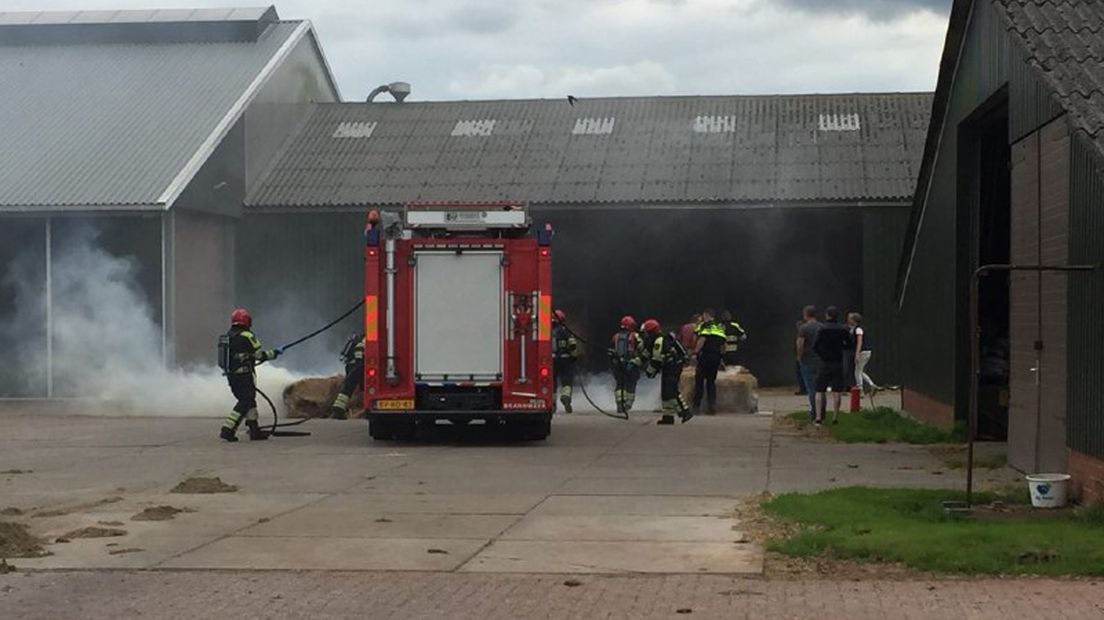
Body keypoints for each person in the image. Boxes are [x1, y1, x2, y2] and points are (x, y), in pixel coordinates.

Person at [221, 308, 282, 442]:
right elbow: (260, 355)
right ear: (247, 321)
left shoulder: (229, 335)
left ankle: (254, 430)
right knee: (245, 401)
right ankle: (227, 429)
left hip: (232, 376)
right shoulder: (248, 336)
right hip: (244, 376)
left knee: (250, 401)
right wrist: (275, 353)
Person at [640, 319, 693, 425]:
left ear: (652, 332)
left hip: (673, 366)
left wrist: (650, 372)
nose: (645, 335)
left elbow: (656, 360)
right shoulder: (654, 341)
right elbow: (645, 355)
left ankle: (685, 411)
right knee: (665, 392)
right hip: (669, 366)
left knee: (671, 390)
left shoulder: (659, 341)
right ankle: (668, 417)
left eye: (646, 332)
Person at [813, 306, 852, 426]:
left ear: (827, 315)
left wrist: (822, 354)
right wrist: (841, 348)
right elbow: (849, 344)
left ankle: (818, 417)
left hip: (824, 362)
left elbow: (815, 346)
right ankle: (835, 416)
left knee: (819, 390)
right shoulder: (843, 329)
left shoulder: (821, 329)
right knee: (837, 391)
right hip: (837, 362)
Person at [692, 308, 727, 415]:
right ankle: (712, 406)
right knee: (711, 382)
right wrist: (721, 357)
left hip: (705, 357)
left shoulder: (704, 326)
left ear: (706, 315)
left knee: (699, 381)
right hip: (716, 357)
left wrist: (695, 353)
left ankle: (696, 406)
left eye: (703, 316)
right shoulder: (720, 328)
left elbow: (701, 340)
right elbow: (724, 345)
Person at [608, 315, 642, 414]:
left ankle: (619, 404)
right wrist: (639, 361)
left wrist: (614, 362)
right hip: (632, 364)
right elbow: (642, 349)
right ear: (631, 326)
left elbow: (610, 351)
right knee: (631, 384)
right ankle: (628, 405)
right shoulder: (635, 336)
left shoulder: (615, 336)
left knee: (619, 384)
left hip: (618, 364)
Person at [328, 334, 365, 420]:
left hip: (351, 367)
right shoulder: (360, 345)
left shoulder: (356, 343)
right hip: (356, 368)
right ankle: (338, 410)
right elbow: (359, 359)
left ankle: (338, 409)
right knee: (349, 388)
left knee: (348, 387)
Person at [551, 309, 580, 413]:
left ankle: (552, 403)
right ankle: (566, 397)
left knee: (552, 383)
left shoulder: (546, 330)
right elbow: (572, 344)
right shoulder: (565, 330)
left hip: (551, 360)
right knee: (566, 381)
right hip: (565, 360)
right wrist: (574, 356)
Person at [795, 306, 820, 419]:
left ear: (806, 314)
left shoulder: (803, 328)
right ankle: (821, 411)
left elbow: (800, 344)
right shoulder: (822, 327)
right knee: (820, 388)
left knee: (811, 388)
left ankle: (814, 411)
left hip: (807, 360)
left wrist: (799, 357)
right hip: (820, 360)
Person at [848, 312, 874, 394]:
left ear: (854, 320)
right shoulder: (859, 328)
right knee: (860, 370)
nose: (849, 320)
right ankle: (872, 384)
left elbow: (859, 342)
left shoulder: (858, 329)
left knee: (857, 372)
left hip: (863, 352)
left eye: (851, 319)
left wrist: (857, 354)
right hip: (867, 351)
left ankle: (860, 390)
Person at [794, 319, 808, 396]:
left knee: (801, 374)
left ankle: (803, 388)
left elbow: (799, 346)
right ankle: (803, 388)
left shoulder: (801, 335)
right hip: (803, 356)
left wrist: (799, 356)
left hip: (802, 357)